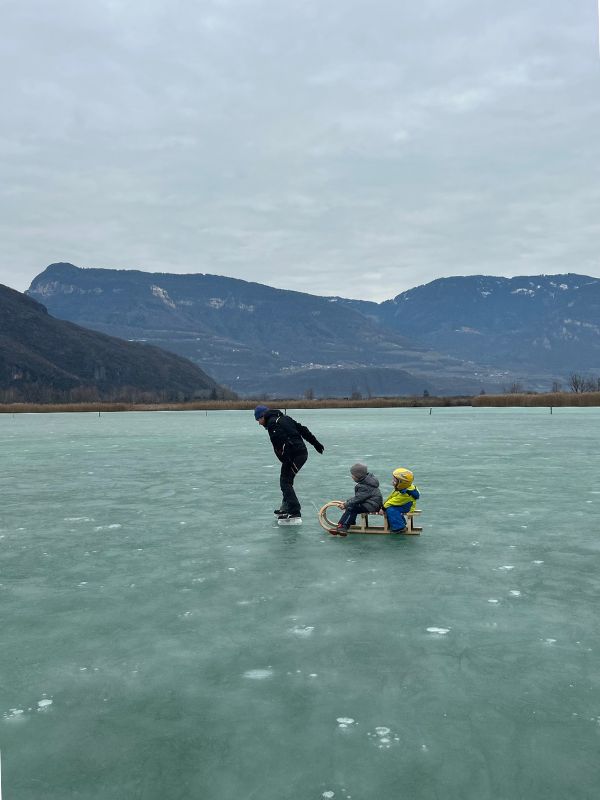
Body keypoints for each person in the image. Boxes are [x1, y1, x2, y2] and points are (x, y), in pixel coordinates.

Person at [254, 405, 324, 521]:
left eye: (258, 420)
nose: (259, 423)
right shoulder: (285, 418)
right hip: (299, 454)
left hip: (294, 456)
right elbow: (303, 430)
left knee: (285, 482)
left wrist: (287, 460)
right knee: (285, 480)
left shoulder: (272, 424)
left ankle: (294, 511)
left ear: (263, 416)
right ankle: (286, 508)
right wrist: (316, 443)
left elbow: (281, 443)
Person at [335, 463, 383, 536]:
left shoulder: (364, 486)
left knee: (352, 507)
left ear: (358, 476)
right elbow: (359, 497)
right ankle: (350, 521)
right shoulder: (367, 482)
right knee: (353, 505)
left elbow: (358, 498)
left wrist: (346, 504)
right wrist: (347, 502)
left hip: (372, 505)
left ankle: (343, 526)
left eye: (353, 475)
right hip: (371, 503)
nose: (351, 476)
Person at [383, 467, 420, 533]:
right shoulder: (404, 488)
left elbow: (394, 501)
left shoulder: (406, 494)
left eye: (395, 480)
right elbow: (392, 497)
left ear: (402, 483)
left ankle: (399, 528)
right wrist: (384, 505)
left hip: (407, 507)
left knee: (391, 510)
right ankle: (400, 523)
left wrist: (383, 508)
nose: (392, 482)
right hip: (403, 504)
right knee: (390, 508)